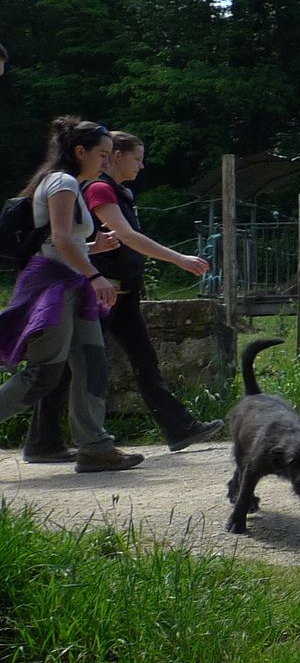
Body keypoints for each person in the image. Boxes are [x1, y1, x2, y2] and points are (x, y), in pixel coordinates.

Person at [24, 130, 222, 462]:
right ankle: (45, 441)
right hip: (103, 291)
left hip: (123, 292)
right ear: (116, 156)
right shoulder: (99, 188)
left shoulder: (119, 191)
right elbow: (128, 236)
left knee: (141, 359)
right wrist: (179, 258)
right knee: (74, 367)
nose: (141, 166)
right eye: (136, 158)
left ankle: (179, 427)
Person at [0, 118, 142, 472]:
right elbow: (61, 239)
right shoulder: (62, 182)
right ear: (80, 152)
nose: (107, 162)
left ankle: (95, 447)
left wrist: (93, 247)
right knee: (43, 374)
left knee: (92, 363)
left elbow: (62, 241)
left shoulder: (73, 183)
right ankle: (94, 446)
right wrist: (95, 275)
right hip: (53, 286)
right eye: (103, 154)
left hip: (71, 284)